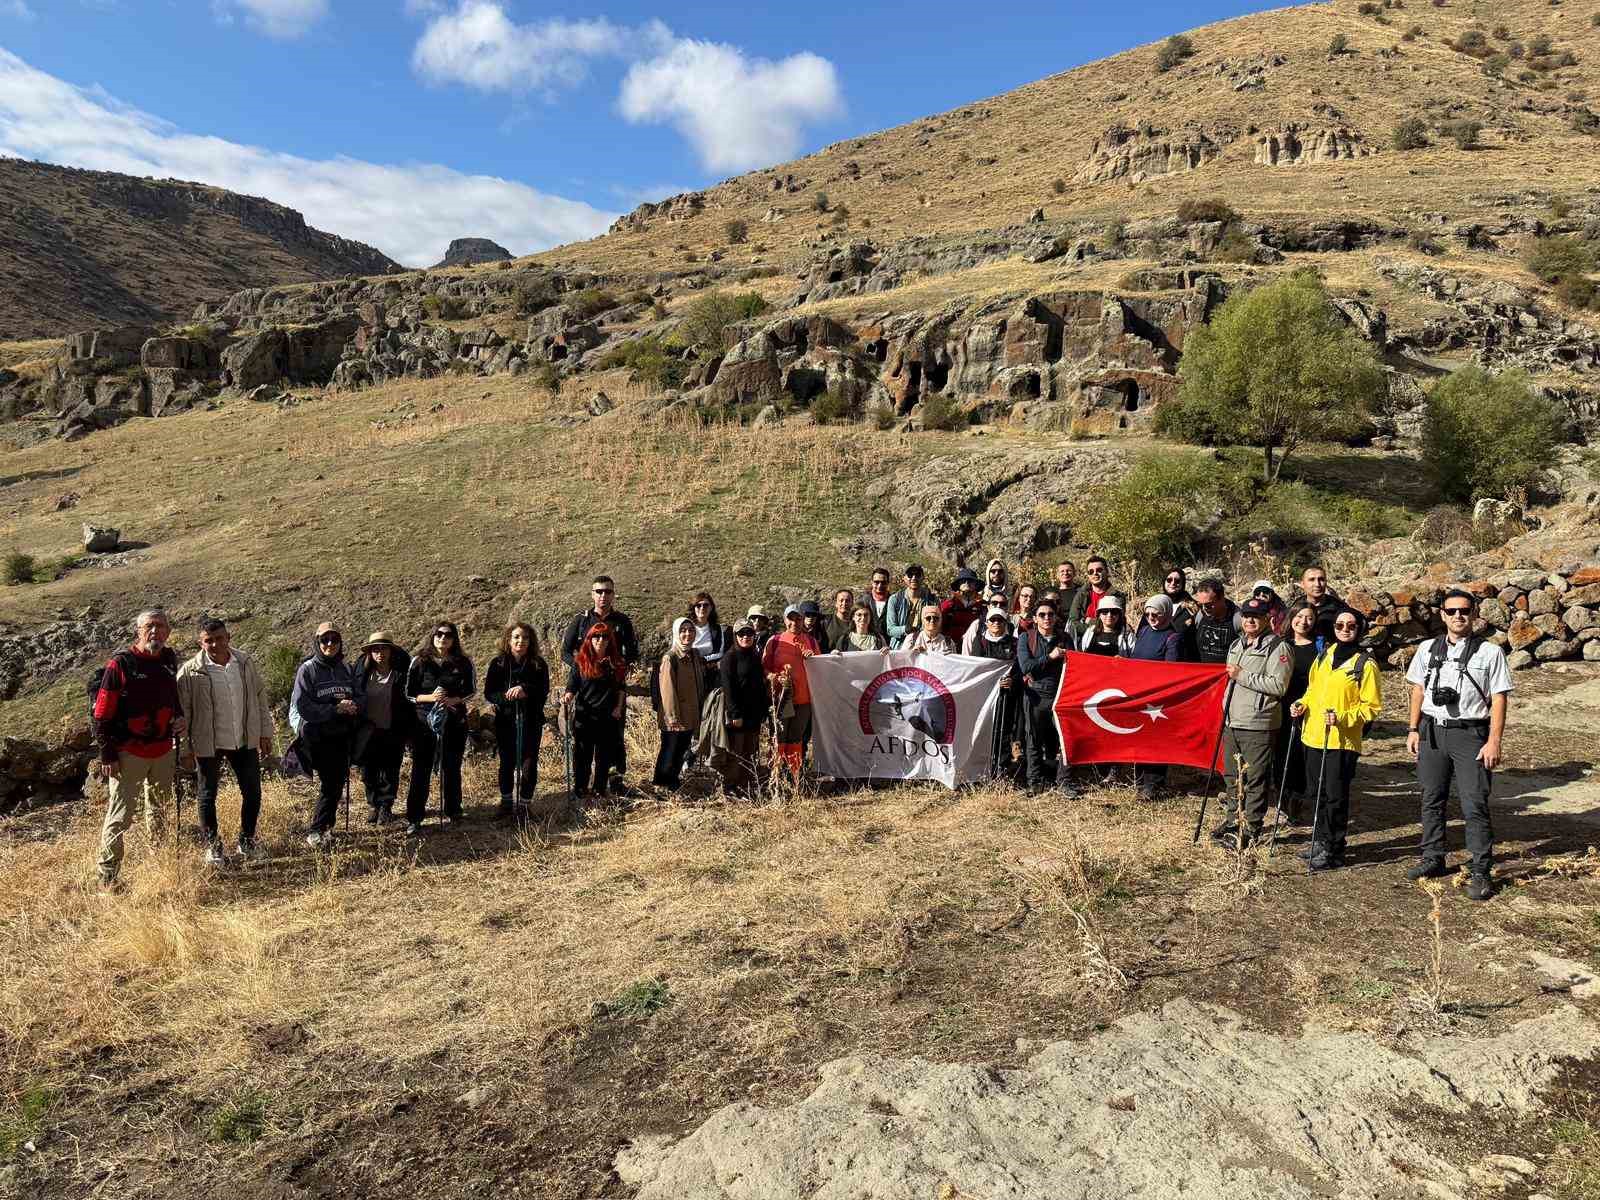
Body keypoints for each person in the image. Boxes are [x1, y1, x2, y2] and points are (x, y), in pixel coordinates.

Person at [1404, 589, 1513, 901]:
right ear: (1442, 614)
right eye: (1451, 611)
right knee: (1431, 797)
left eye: (1464, 610)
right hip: (1432, 732)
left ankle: (1480, 869)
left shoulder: (1490, 652)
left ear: (1474, 612)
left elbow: (1500, 698)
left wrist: (1494, 741)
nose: (1458, 616)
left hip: (1471, 734)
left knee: (1474, 802)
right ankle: (1433, 857)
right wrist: (1413, 729)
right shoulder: (1427, 648)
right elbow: (1418, 690)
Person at [93, 608, 187, 891]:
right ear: (139, 631)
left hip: (162, 750)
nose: (155, 632)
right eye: (149, 626)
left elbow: (172, 696)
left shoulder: (169, 660)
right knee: (120, 815)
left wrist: (179, 716)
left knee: (159, 810)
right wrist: (107, 754)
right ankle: (107, 875)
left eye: (160, 626)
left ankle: (159, 865)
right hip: (127, 754)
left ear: (168, 632)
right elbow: (101, 714)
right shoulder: (120, 664)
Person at [176, 618, 273, 867]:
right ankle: (213, 846)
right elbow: (183, 714)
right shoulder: (189, 671)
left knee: (252, 792)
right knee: (207, 795)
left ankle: (247, 841)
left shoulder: (244, 663)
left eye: (219, 638)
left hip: (243, 738)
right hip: (208, 742)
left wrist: (264, 732)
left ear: (228, 637)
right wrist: (185, 749)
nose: (215, 644)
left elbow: (259, 698)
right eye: (209, 640)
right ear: (200, 642)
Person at [1291, 608, 1382, 872]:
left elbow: (1372, 707)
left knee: (1335, 796)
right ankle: (1320, 840)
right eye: (1340, 625)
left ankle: (1334, 848)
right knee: (1316, 792)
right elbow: (1312, 691)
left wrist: (1343, 718)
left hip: (1341, 741)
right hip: (1313, 736)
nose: (1345, 629)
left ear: (1359, 629)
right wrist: (1301, 704)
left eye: (1351, 625)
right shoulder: (1324, 656)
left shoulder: (1365, 664)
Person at [1211, 599, 1292, 850]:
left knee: (1255, 779)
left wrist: (1242, 675)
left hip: (1258, 723)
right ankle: (1234, 821)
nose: (1250, 620)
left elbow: (1278, 686)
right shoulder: (1237, 644)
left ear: (1268, 618)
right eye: (1246, 615)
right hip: (1233, 721)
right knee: (1233, 776)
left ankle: (1251, 828)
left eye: (1256, 616)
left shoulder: (1278, 648)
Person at [290, 622, 364, 848]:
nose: (330, 644)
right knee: (330, 782)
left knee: (336, 782)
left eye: (334, 639)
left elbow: (360, 695)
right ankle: (316, 830)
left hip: (342, 734)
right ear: (317, 642)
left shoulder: (347, 669)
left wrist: (354, 706)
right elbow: (303, 705)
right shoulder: (308, 669)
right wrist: (334, 709)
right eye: (325, 640)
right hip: (318, 734)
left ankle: (326, 828)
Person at [561, 576, 640, 785]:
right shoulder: (581, 620)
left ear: (613, 594)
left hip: (612, 690)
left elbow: (632, 653)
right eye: (599, 591)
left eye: (607, 591)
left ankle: (613, 782)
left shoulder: (622, 621)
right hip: (586, 689)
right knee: (583, 744)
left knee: (613, 738)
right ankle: (581, 786)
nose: (603, 596)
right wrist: (584, 668)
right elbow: (565, 652)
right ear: (592, 594)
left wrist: (618, 666)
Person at [406, 620, 475, 830]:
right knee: (421, 768)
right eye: (439, 634)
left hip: (454, 720)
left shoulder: (463, 662)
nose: (443, 638)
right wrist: (430, 697)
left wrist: (453, 700)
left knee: (451, 767)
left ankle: (454, 811)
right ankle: (415, 818)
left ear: (454, 639)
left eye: (448, 635)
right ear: (432, 636)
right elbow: (408, 693)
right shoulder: (419, 661)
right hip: (424, 723)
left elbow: (471, 690)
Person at [484, 622, 549, 819]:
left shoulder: (538, 664)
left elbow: (543, 689)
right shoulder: (498, 664)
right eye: (516, 637)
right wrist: (508, 697)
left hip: (531, 720)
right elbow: (489, 693)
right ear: (508, 640)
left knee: (529, 763)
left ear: (531, 641)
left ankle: (524, 806)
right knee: (507, 762)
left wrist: (525, 690)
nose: (521, 641)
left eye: (525, 638)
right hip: (506, 720)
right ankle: (506, 803)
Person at [353, 631, 413, 827]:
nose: (380, 653)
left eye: (384, 648)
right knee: (368, 771)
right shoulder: (362, 674)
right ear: (370, 653)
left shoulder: (400, 674)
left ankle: (386, 806)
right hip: (367, 730)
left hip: (392, 728)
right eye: (376, 649)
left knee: (390, 770)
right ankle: (373, 804)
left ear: (391, 651)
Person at [563, 623, 628, 798]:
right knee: (582, 756)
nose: (600, 640)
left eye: (605, 637)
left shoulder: (616, 663)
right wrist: (568, 697)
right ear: (589, 639)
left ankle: (599, 789)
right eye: (596, 636)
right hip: (585, 717)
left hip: (608, 717)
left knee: (604, 757)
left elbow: (622, 688)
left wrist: (618, 708)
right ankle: (580, 789)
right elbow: (572, 686)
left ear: (610, 640)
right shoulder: (580, 662)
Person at [1017, 598, 1072, 794]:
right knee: (1033, 740)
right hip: (1035, 696)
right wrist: (1050, 657)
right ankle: (1035, 781)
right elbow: (1026, 667)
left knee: (1065, 741)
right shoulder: (1026, 638)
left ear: (1056, 617)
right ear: (1034, 618)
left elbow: (1075, 667)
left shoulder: (1065, 639)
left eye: (1050, 614)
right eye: (1042, 615)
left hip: (1060, 695)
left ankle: (1064, 782)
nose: (1046, 618)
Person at [1131, 596, 1184, 799]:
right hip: (1140, 694)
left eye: (1156, 614)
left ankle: (1153, 784)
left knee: (1156, 740)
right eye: (1148, 614)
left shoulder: (1172, 638)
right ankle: (1140, 780)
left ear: (1167, 613)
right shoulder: (1144, 631)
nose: (1151, 618)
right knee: (1141, 737)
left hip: (1157, 698)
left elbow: (1170, 671)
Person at [1275, 605, 1322, 823]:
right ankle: (1281, 799)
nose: (1304, 621)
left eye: (1309, 618)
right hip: (1282, 706)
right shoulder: (1280, 645)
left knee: (1302, 756)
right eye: (1300, 616)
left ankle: (1298, 801)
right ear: (1291, 618)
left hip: (1309, 708)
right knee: (1282, 753)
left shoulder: (1321, 648)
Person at [762, 606, 819, 781]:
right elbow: (764, 666)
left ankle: (793, 778)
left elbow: (821, 668)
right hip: (781, 699)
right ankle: (775, 779)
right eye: (791, 619)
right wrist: (771, 676)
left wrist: (813, 660)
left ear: (803, 620)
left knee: (796, 740)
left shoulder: (811, 641)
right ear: (785, 620)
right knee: (779, 738)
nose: (794, 622)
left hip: (804, 699)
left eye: (798, 619)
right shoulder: (775, 640)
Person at [653, 618, 707, 790]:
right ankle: (661, 785)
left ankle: (672, 782)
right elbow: (667, 691)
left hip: (690, 715)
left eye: (691, 630)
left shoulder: (694, 656)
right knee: (669, 751)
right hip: (675, 717)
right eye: (683, 630)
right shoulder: (671, 658)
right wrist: (672, 717)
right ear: (677, 633)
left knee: (680, 750)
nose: (687, 634)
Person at [974, 606, 1023, 782]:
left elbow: (1020, 668)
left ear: (1006, 623)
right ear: (986, 623)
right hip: (986, 696)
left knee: (1004, 732)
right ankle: (983, 768)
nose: (996, 623)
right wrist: (993, 682)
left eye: (1000, 620)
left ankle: (1001, 770)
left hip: (1008, 696)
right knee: (985, 731)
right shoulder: (979, 642)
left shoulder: (1015, 643)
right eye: (992, 620)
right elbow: (975, 668)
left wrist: (1013, 682)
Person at [721, 619, 769, 794]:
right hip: (738, 716)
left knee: (750, 751)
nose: (745, 637)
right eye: (741, 633)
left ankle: (745, 785)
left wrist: (764, 710)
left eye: (749, 633)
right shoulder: (729, 658)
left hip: (754, 714)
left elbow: (759, 686)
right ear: (735, 636)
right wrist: (735, 714)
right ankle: (730, 787)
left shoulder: (755, 656)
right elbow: (728, 689)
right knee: (736, 752)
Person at [1192, 578, 1241, 665]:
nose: (1204, 608)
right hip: (1203, 672)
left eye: (1208, 605)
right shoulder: (1200, 615)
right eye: (1200, 604)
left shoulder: (1238, 618)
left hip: (1226, 675)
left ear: (1221, 598)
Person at [686, 592, 731, 683]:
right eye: (698, 605)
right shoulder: (686, 627)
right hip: (687, 669)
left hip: (709, 670)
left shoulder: (716, 629)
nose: (702, 608)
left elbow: (719, 652)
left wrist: (703, 660)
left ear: (711, 608)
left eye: (706, 605)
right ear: (693, 608)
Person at [887, 564, 931, 648]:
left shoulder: (931, 600)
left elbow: (937, 625)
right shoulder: (895, 599)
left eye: (917, 574)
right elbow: (890, 629)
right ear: (904, 578)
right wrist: (905, 629)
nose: (914, 578)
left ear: (923, 577)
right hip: (899, 647)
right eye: (910, 575)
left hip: (923, 646)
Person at [1067, 557, 1116, 628]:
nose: (1095, 573)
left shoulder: (1116, 595)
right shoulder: (1081, 593)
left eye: (1099, 570)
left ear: (1107, 571)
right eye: (1091, 571)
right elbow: (1073, 622)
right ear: (1088, 575)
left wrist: (1088, 620)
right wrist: (1092, 630)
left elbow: (1116, 622)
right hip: (1084, 637)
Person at [1298, 565, 1342, 644]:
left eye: (1321, 579)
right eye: (1311, 580)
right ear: (1302, 584)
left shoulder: (1338, 607)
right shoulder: (1297, 606)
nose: (1317, 584)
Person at [941, 568, 984, 645]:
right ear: (958, 585)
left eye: (970, 581)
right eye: (963, 581)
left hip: (975, 648)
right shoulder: (948, 605)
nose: (967, 583)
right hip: (951, 647)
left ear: (976, 585)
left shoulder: (983, 606)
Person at [1160, 568, 1197, 648]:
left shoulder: (1193, 607)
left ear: (1182, 584)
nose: (1173, 583)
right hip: (1158, 656)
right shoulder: (1156, 604)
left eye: (1177, 581)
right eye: (1169, 580)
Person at [864, 568, 894, 642]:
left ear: (888, 583)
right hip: (868, 646)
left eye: (883, 582)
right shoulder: (863, 602)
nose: (880, 585)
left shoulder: (895, 602)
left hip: (889, 647)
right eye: (876, 582)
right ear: (872, 582)